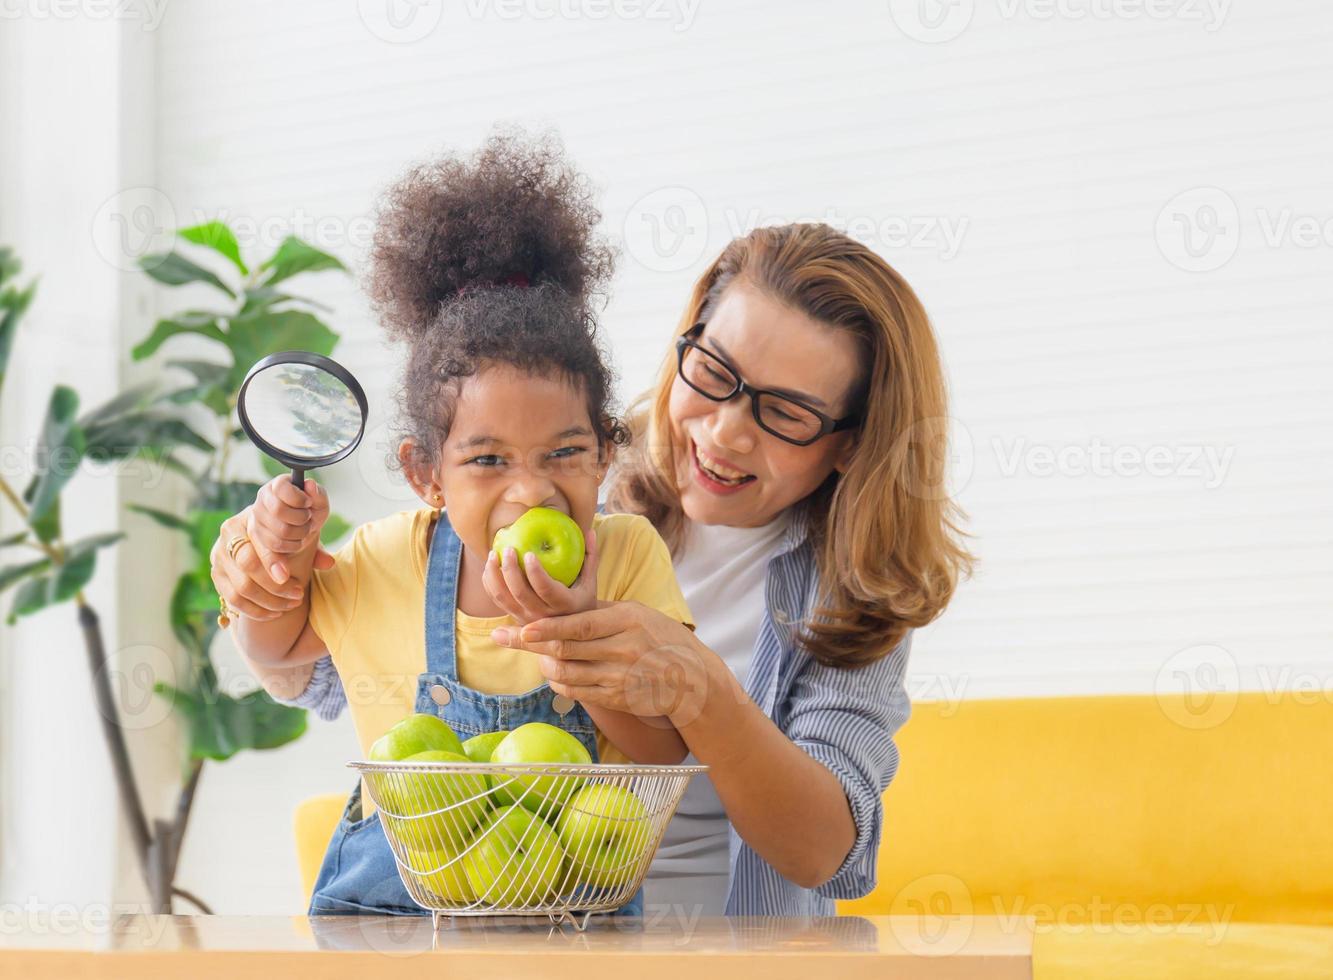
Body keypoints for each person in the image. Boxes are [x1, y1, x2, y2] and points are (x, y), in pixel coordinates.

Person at [223, 215, 974, 917]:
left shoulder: (848, 597)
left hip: (718, 944)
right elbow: (326, 678)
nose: (726, 432)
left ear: (849, 442)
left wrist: (699, 688)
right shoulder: (552, 488)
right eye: (713, 371)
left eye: (786, 413)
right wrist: (261, 584)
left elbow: (825, 856)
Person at [211, 131, 693, 916]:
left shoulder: (628, 555)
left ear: (606, 452)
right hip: (386, 926)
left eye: (565, 452)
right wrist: (270, 567)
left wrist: (576, 638)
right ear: (424, 475)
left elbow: (662, 750)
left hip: (570, 925)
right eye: (488, 461)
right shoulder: (384, 557)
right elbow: (282, 652)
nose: (532, 492)